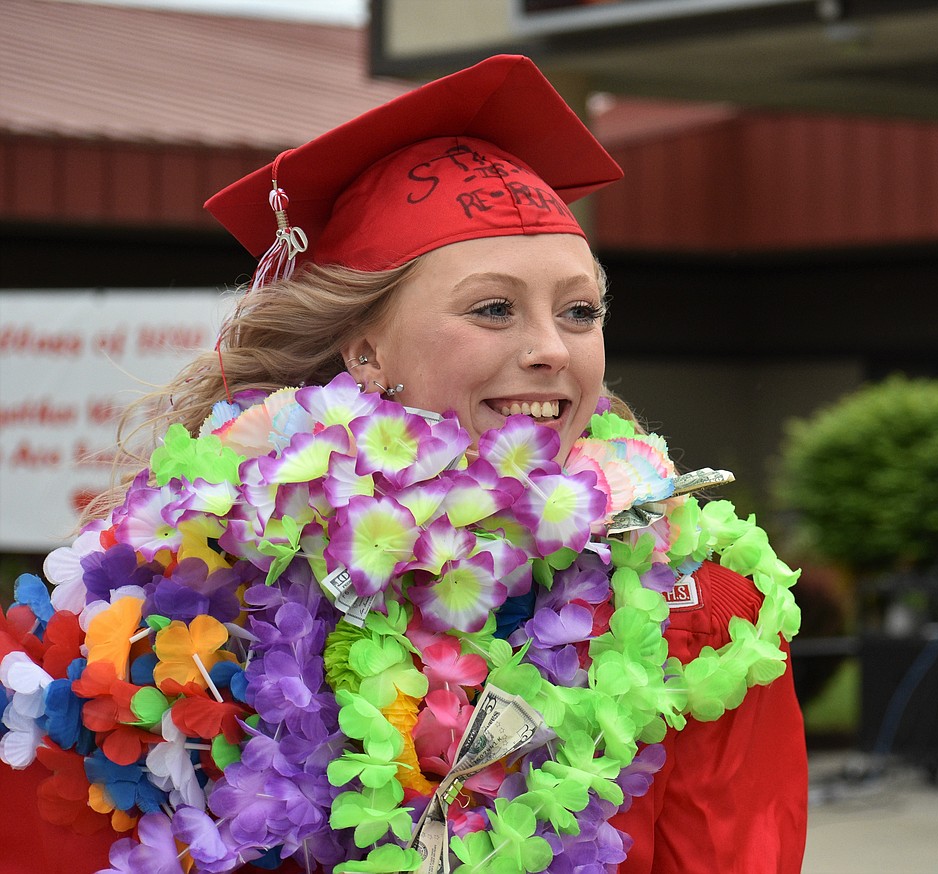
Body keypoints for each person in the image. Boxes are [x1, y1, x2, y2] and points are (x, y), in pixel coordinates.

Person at [0, 55, 806, 874]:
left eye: (580, 310)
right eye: (493, 308)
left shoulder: (697, 602)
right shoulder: (183, 594)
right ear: (365, 348)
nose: (551, 350)